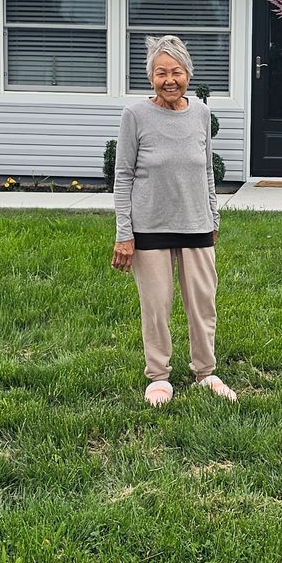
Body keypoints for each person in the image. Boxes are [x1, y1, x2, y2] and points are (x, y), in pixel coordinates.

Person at [112, 35, 238, 406]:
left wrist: (213, 216)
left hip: (197, 223)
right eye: (161, 72)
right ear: (150, 76)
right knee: (156, 306)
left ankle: (205, 372)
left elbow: (208, 172)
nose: (170, 79)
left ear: (188, 74)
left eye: (177, 72)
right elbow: (123, 176)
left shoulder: (200, 113)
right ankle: (159, 377)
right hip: (148, 227)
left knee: (203, 303)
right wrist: (124, 233)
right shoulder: (134, 116)